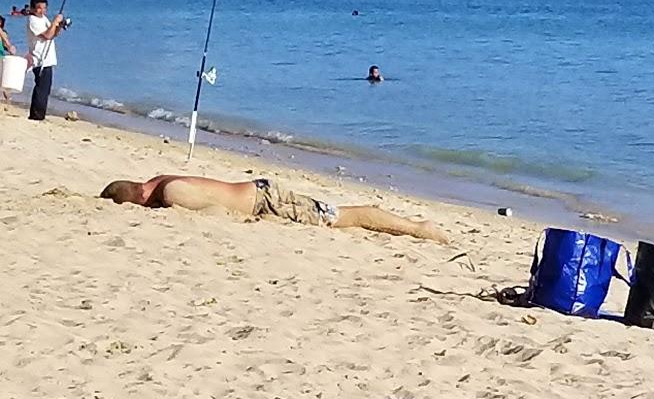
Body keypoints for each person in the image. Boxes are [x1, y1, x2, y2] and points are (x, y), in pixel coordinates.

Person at [99, 174, 448, 242]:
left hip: (270, 201)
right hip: (262, 196)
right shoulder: (158, 180)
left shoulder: (172, 193)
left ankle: (419, 228)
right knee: (340, 216)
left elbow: (217, 212)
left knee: (343, 216)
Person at [25, 0, 66, 122]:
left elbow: (53, 34)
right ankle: (36, 115)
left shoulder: (43, 19)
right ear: (32, 8)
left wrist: (59, 25)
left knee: (45, 89)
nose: (42, 11)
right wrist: (54, 22)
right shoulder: (32, 20)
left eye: (44, 8)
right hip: (40, 59)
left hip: (48, 59)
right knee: (41, 89)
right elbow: (47, 35)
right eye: (39, 8)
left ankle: (38, 114)